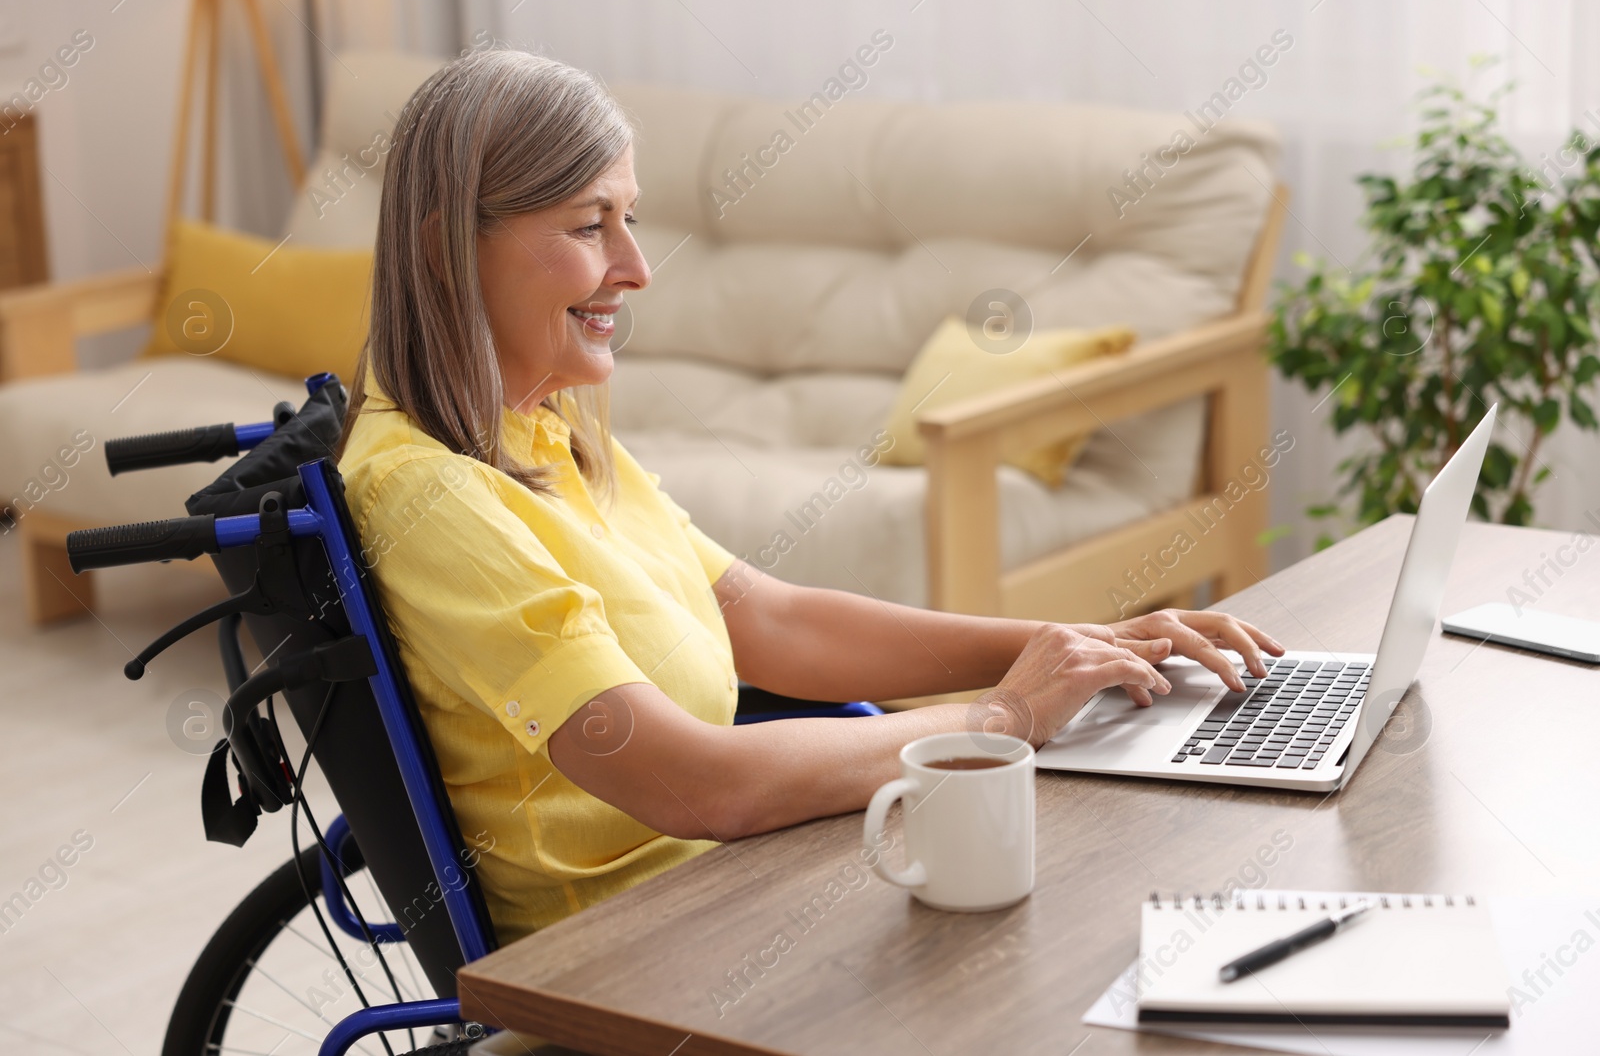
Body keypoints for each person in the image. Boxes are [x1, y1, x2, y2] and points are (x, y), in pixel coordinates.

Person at [337, 50, 1284, 944]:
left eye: (629, 217)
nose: (636, 266)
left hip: (732, 881)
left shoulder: (540, 429)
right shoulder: (429, 494)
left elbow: (773, 619)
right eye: (591, 226)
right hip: (636, 949)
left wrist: (1067, 646)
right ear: (445, 249)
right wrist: (1002, 715)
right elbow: (698, 785)